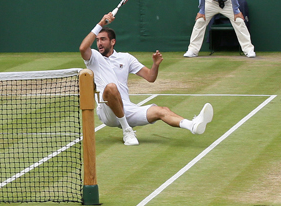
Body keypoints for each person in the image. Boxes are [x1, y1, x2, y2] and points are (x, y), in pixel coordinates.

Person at [80, 12, 213, 145]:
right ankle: (127, 131)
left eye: (103, 39)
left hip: (126, 109)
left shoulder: (126, 58)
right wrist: (101, 23)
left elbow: (150, 77)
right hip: (106, 111)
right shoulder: (94, 58)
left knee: (162, 111)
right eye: (97, 40)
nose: (99, 43)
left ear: (113, 42)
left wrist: (155, 65)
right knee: (111, 88)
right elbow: (83, 48)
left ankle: (192, 125)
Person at [184, 0, 256, 58]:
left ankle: (249, 50)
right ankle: (192, 50)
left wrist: (236, 11)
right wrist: (201, 11)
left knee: (239, 21)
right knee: (200, 21)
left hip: (227, 3)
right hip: (211, 2)